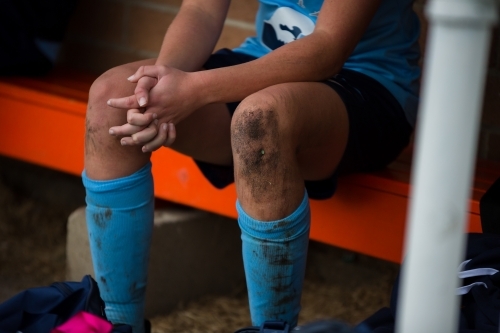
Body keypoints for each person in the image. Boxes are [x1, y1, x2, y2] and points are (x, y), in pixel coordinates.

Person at [82, 0, 421, 332]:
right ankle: (118, 323)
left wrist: (194, 90)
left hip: (366, 81)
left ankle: (273, 328)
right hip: (264, 59)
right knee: (109, 98)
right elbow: (200, 10)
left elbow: (327, 50)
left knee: (258, 123)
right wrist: (160, 84)